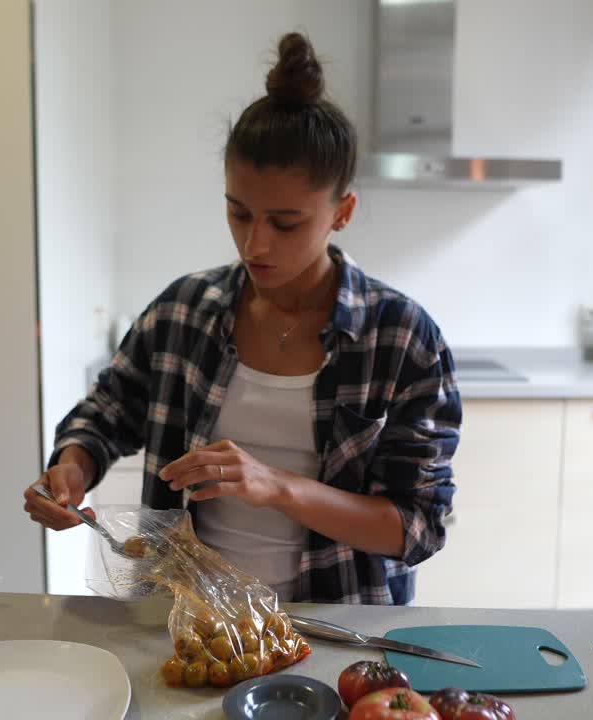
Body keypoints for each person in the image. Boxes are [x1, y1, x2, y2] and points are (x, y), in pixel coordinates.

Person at [24, 32, 461, 605]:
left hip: (331, 630)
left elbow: (416, 526)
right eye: (239, 212)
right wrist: (71, 471)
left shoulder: (401, 338)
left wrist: (276, 485)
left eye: (286, 223)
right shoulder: (183, 311)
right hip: (186, 625)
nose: (256, 244)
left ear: (343, 212)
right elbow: (104, 414)